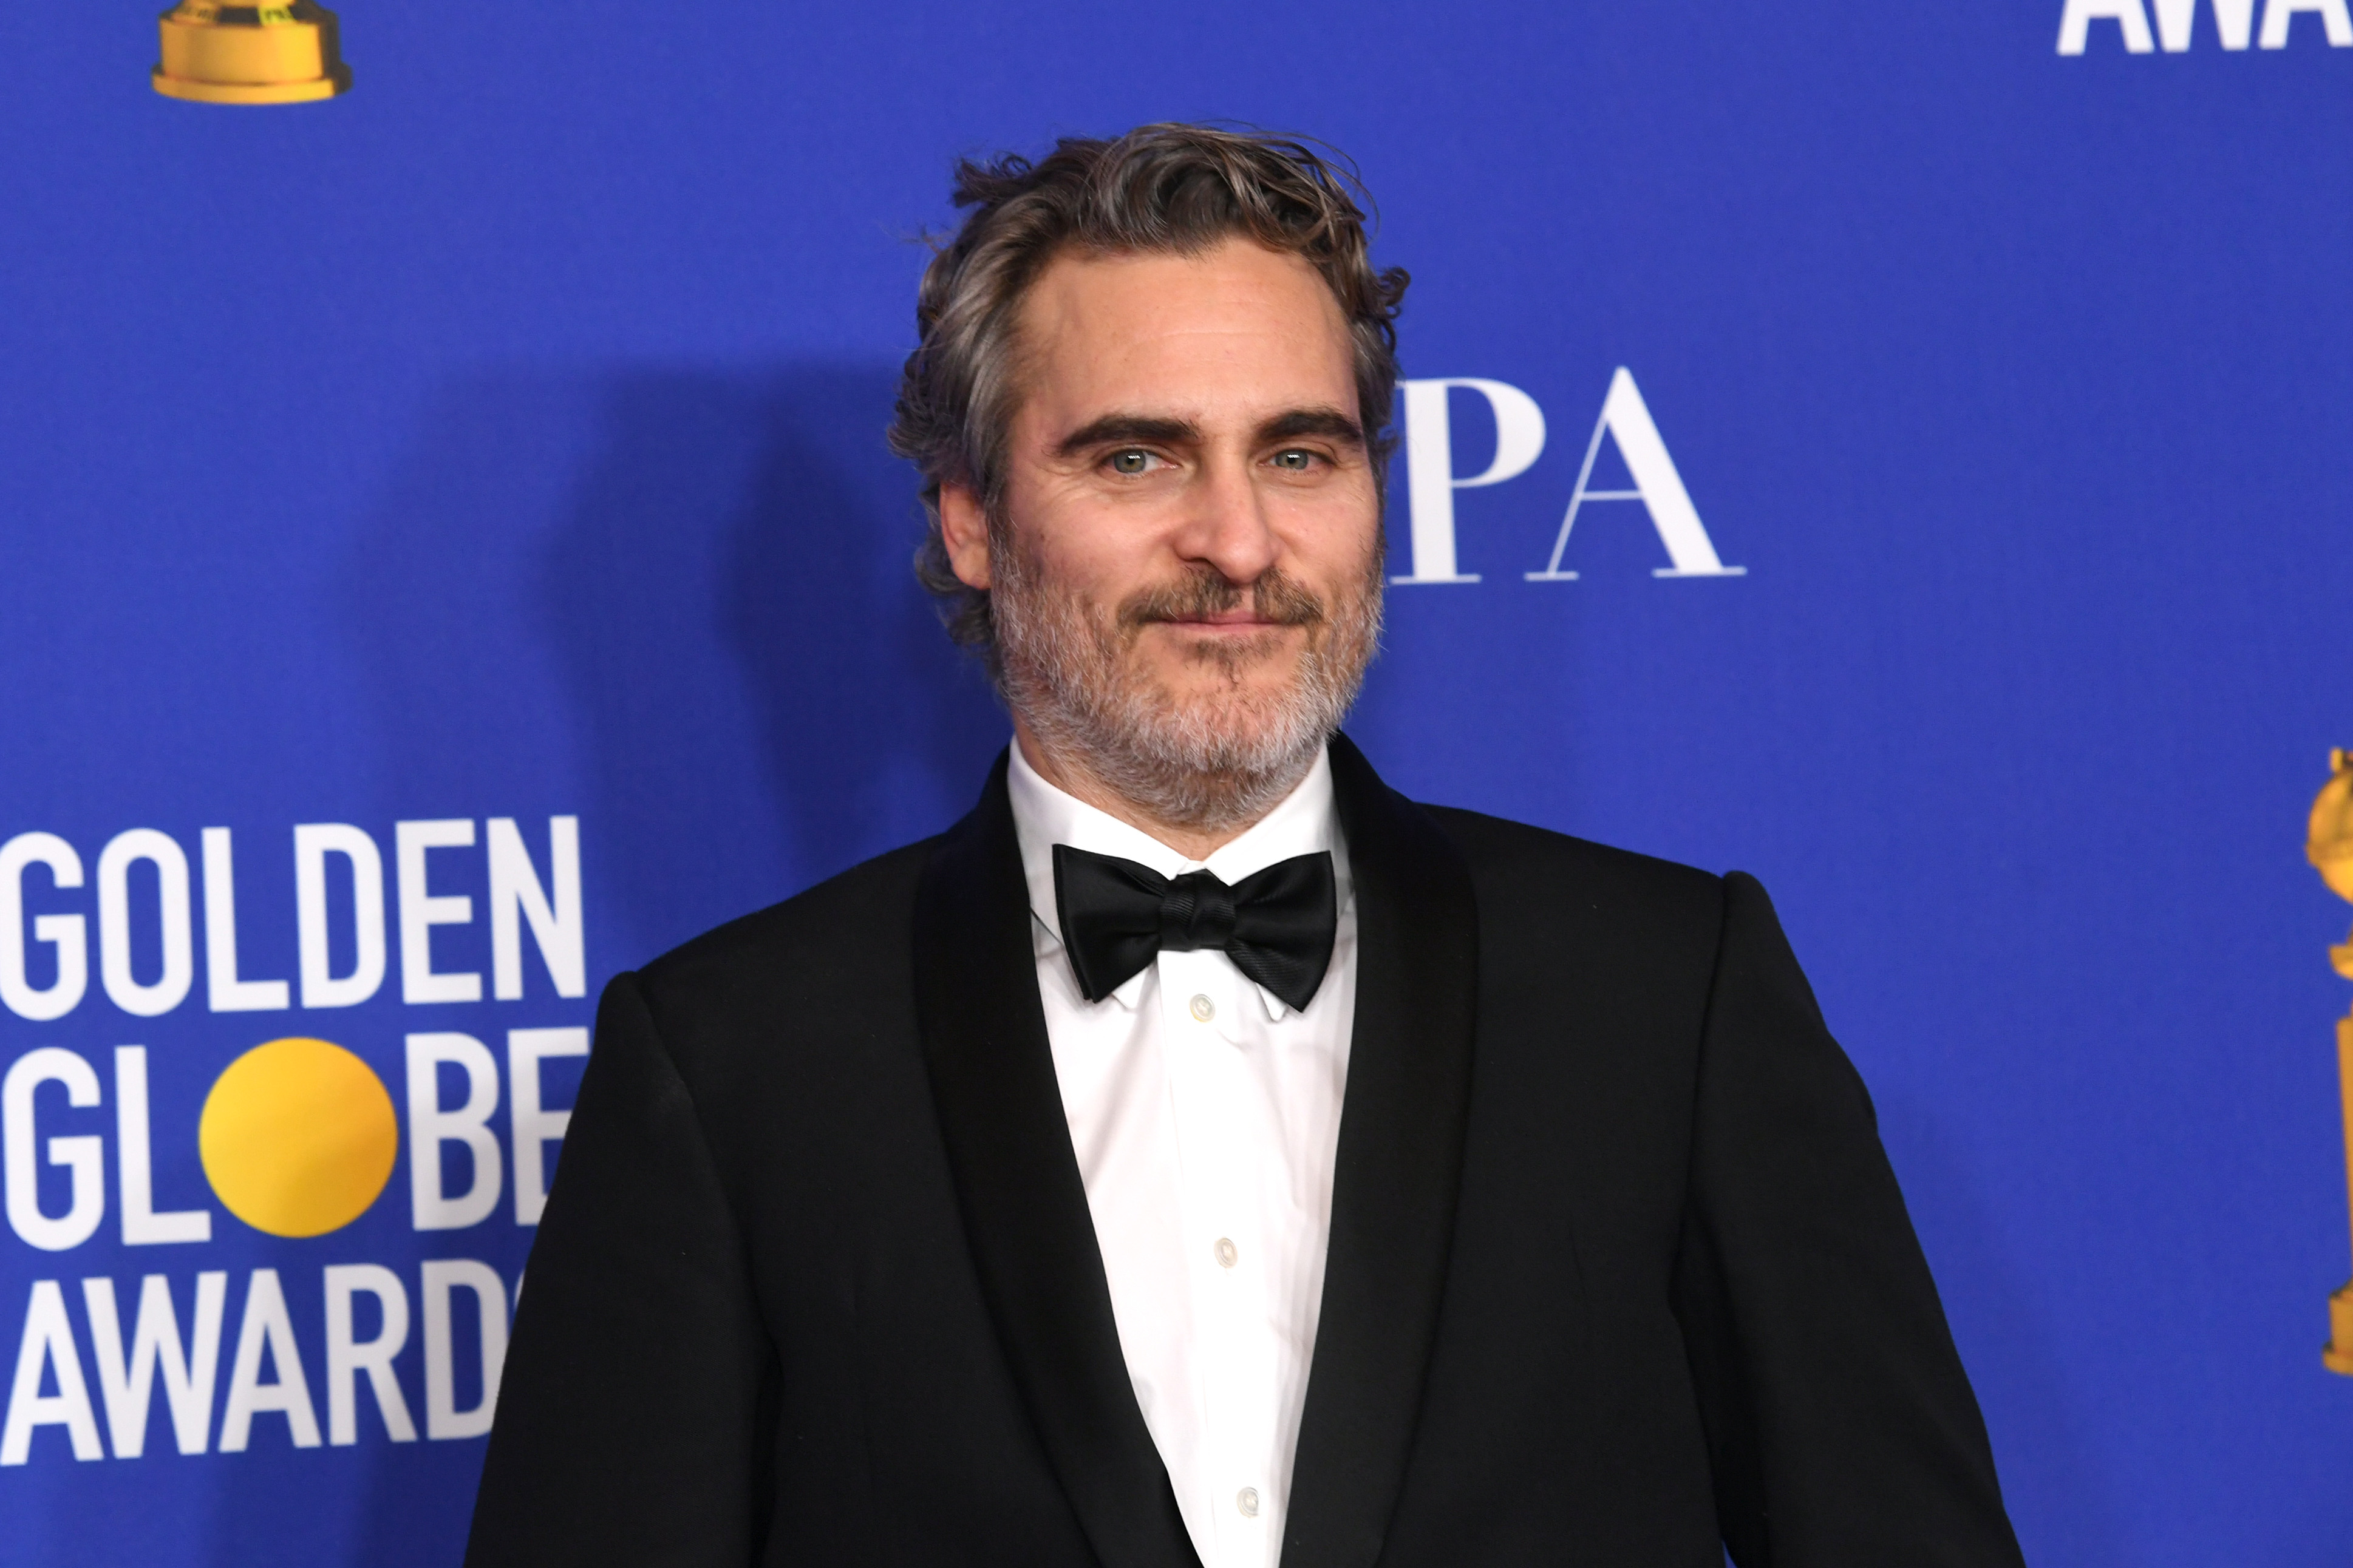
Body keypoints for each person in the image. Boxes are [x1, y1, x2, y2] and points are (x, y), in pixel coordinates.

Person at [463, 124, 2024, 1568]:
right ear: (972, 521)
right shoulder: (728, 1064)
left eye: (1299, 452)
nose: (1237, 540)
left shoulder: (1667, 996)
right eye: (1137, 458)